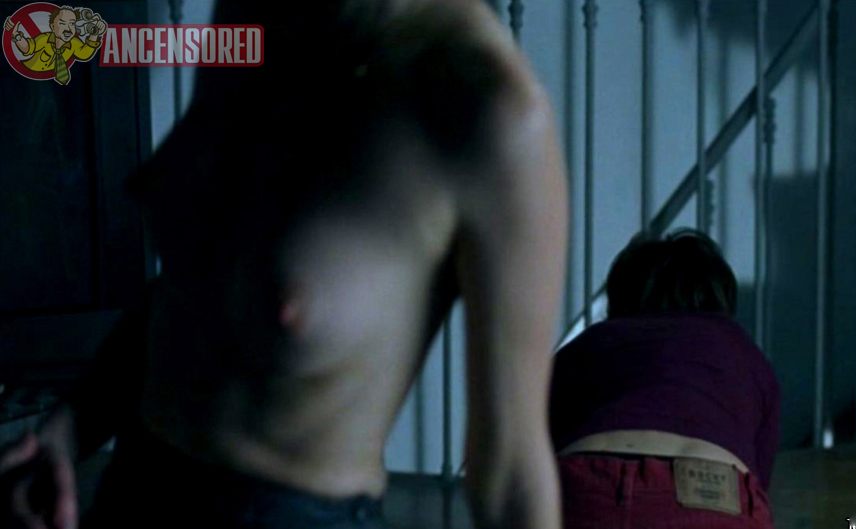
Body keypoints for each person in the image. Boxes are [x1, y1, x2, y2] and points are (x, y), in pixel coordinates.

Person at [0, 1, 567, 528]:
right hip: (129, 491)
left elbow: (512, 477)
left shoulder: (488, 108)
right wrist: (70, 427)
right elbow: (199, 282)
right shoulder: (252, 11)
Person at [549, 230, 779, 529]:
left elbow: (535, 450)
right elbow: (760, 474)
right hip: (712, 492)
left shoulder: (589, 344)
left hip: (588, 486)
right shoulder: (740, 350)